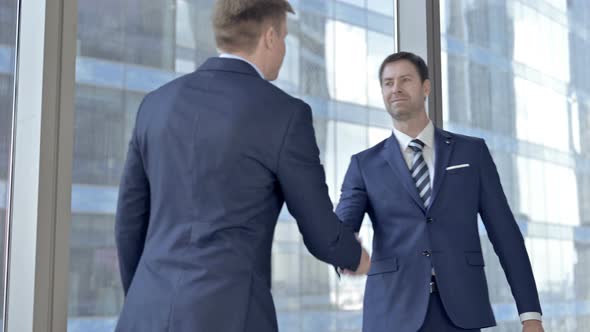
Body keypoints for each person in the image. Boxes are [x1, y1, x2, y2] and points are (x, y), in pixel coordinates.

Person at [114, 1, 370, 331]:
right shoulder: (284, 114)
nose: (284, 48)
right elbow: (320, 231)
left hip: (144, 313)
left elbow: (129, 222)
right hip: (229, 316)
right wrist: (360, 260)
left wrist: (146, 294)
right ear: (269, 37)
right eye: (285, 38)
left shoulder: (154, 105)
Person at [336, 51, 544, 332]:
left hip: (460, 311)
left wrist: (530, 315)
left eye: (405, 80)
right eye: (387, 83)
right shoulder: (364, 164)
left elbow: (505, 234)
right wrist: (345, 253)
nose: (395, 88)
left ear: (426, 87)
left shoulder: (472, 152)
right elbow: (342, 226)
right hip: (392, 314)